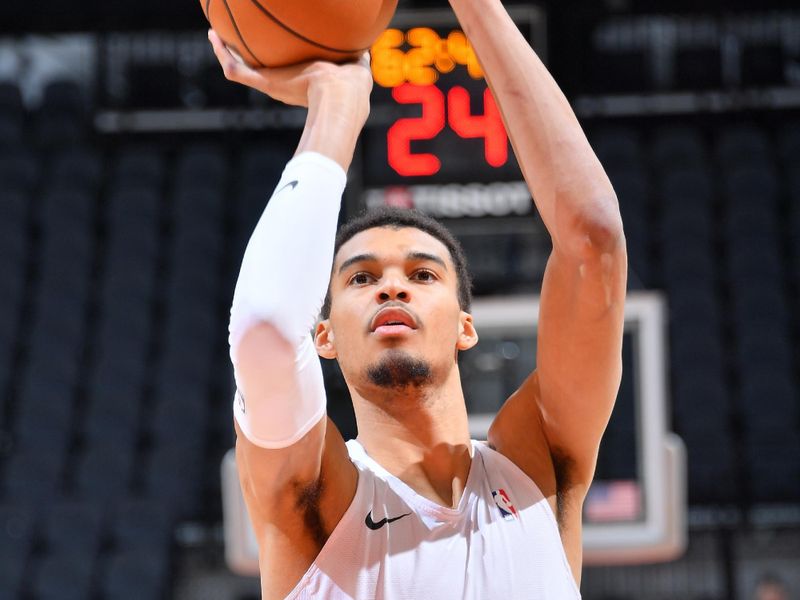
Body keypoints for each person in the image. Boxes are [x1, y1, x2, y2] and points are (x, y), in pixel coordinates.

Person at [210, 0, 626, 596]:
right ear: (322, 335)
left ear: (465, 325)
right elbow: (265, 329)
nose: (392, 284)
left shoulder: (539, 470)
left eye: (424, 274)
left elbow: (595, 239)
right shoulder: (318, 503)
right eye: (360, 278)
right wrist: (337, 101)